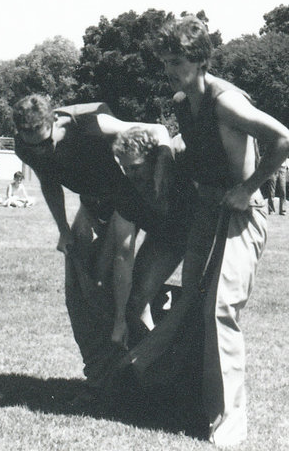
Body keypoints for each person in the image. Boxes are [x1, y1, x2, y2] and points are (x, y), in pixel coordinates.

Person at [153, 15, 289, 446]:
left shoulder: (226, 102)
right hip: (205, 211)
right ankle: (193, 404)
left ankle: (230, 426)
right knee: (194, 304)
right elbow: (188, 142)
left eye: (176, 60)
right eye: (165, 61)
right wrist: (164, 151)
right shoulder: (184, 100)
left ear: (198, 60)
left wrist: (248, 188)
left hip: (241, 214)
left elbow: (285, 140)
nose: (169, 69)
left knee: (220, 309)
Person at [11, 94, 172, 380]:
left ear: (54, 121)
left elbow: (155, 131)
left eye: (47, 142)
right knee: (77, 285)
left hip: (125, 198)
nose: (42, 151)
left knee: (111, 275)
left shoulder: (88, 123)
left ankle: (130, 348)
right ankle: (100, 366)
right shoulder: (27, 146)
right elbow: (49, 182)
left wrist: (162, 175)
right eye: (32, 143)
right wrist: (63, 230)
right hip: (92, 202)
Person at [112, 126, 192, 346]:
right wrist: (119, 319)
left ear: (153, 159)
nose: (130, 174)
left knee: (197, 301)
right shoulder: (127, 190)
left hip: (199, 233)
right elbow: (123, 253)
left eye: (136, 167)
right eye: (125, 167)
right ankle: (147, 357)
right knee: (136, 299)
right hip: (165, 238)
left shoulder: (178, 166)